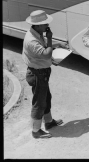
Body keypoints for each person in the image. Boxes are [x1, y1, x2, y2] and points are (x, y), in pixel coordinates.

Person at [22, 10, 68, 139]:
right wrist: (49, 37)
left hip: (41, 73)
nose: (47, 25)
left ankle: (48, 122)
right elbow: (46, 53)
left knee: (46, 98)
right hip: (38, 74)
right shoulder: (32, 40)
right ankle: (36, 131)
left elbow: (44, 47)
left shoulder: (36, 33)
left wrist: (58, 44)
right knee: (39, 102)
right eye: (45, 23)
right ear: (37, 25)